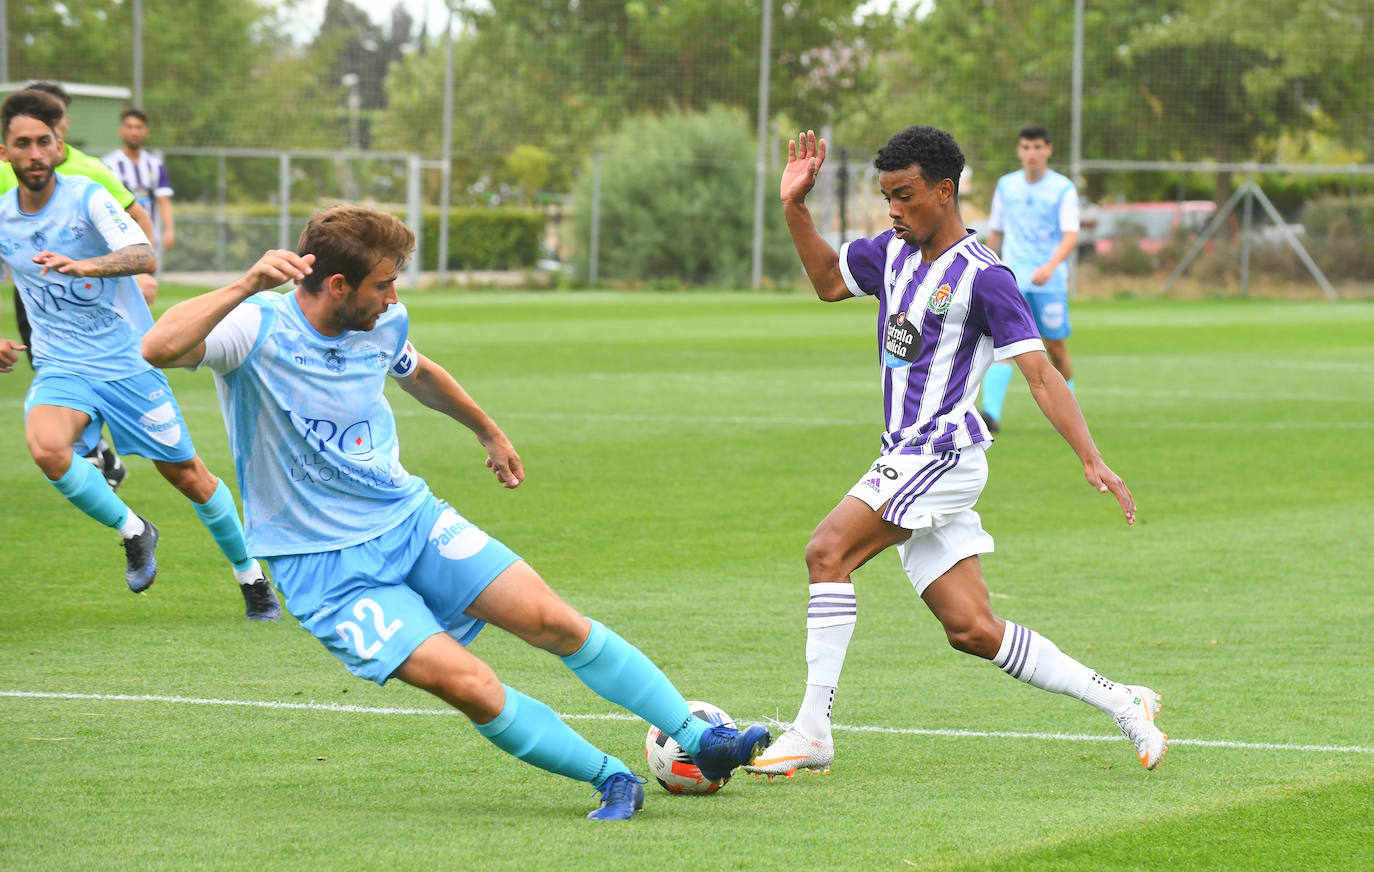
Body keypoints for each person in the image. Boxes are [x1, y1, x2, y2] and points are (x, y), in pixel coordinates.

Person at [139, 204, 773, 820]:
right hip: (323, 567)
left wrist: (488, 432)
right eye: (383, 284)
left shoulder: (383, 322)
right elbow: (158, 346)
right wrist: (246, 282)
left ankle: (700, 738)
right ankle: (607, 777)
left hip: (410, 520)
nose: (393, 299)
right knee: (468, 684)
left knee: (555, 620)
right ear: (338, 285)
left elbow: (416, 371)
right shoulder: (255, 328)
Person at [744, 125, 1166, 780]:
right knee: (971, 628)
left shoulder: (986, 277)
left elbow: (1041, 375)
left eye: (904, 196)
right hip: (910, 456)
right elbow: (828, 281)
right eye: (887, 197)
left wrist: (1091, 458)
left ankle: (813, 730)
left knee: (827, 552)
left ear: (944, 191)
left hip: (939, 452)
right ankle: (1123, 699)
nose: (893, 210)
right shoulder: (891, 253)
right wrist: (794, 207)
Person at [0, 88, 281, 621]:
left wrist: (88, 265)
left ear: (58, 145)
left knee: (189, 476)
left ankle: (251, 576)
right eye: (22, 144)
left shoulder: (87, 196)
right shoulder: (1, 216)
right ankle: (134, 530)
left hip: (128, 362)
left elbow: (143, 252)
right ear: (5, 153)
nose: (34, 154)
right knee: (47, 449)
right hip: (63, 365)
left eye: (43, 142)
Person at [2, 80, 157, 488]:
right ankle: (92, 451)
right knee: (49, 367)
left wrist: (144, 272)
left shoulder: (89, 171)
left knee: (173, 455)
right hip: (36, 292)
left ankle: (97, 448)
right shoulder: (10, 169)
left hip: (98, 298)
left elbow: (138, 216)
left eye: (51, 123)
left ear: (62, 125)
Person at [979, 124, 1080, 433]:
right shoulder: (1006, 186)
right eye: (1026, 147)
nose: (1031, 154)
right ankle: (990, 414)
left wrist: (1050, 266)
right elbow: (996, 232)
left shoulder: (1062, 189)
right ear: (1019, 151)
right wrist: (983, 266)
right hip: (1011, 282)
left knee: (1056, 348)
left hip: (1048, 284)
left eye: (1037, 147)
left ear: (1048, 150)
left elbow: (1071, 235)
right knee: (1003, 345)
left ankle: (1070, 410)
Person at [102, 108, 173, 308]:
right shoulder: (108, 164)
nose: (134, 131)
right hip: (118, 237)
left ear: (146, 132)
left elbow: (163, 199)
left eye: (139, 127)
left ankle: (141, 335)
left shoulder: (154, 164)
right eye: (129, 127)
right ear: (121, 131)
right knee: (118, 290)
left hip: (146, 239)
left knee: (145, 289)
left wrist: (169, 229)